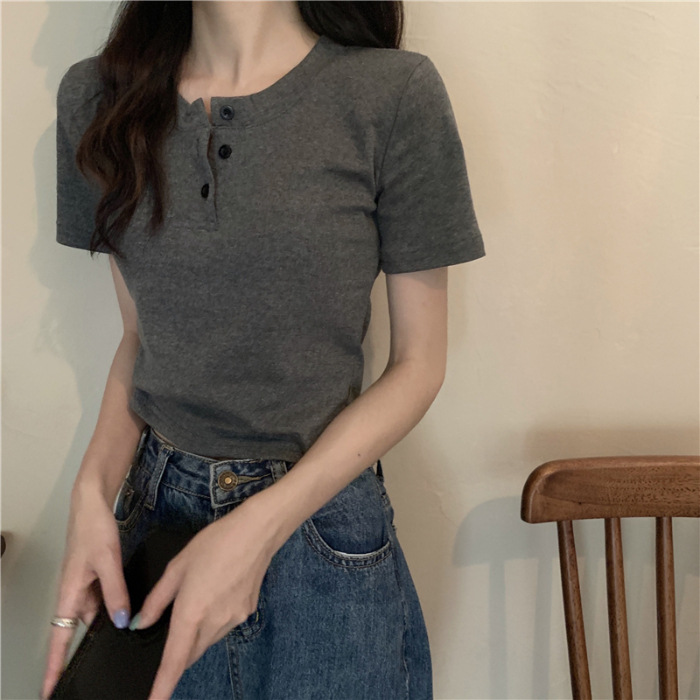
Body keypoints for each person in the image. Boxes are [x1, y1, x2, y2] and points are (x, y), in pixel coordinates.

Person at [43, 1, 486, 698]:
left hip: (322, 530)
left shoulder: (392, 94)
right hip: (158, 525)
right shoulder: (100, 99)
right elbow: (140, 338)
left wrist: (258, 529)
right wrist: (91, 494)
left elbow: (418, 365)